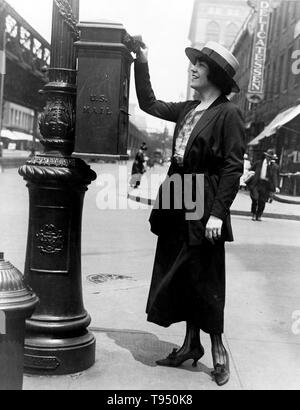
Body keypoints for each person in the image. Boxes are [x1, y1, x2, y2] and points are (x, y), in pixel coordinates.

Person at [134, 41, 245, 386]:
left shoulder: (228, 114)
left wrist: (216, 214)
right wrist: (143, 61)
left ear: (216, 74)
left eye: (199, 64)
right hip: (178, 192)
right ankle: (190, 344)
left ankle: (217, 348)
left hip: (203, 195)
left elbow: (232, 167)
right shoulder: (188, 108)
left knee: (205, 271)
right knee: (179, 268)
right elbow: (148, 103)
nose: (192, 68)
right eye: (193, 63)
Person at [248, 149, 280, 221]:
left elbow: (275, 177)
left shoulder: (274, 166)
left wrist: (276, 186)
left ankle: (259, 215)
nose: (269, 159)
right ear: (265, 156)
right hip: (257, 183)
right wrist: (251, 174)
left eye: (271, 157)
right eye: (268, 157)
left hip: (266, 186)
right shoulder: (258, 163)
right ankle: (253, 214)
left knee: (262, 201)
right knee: (255, 199)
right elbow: (250, 170)